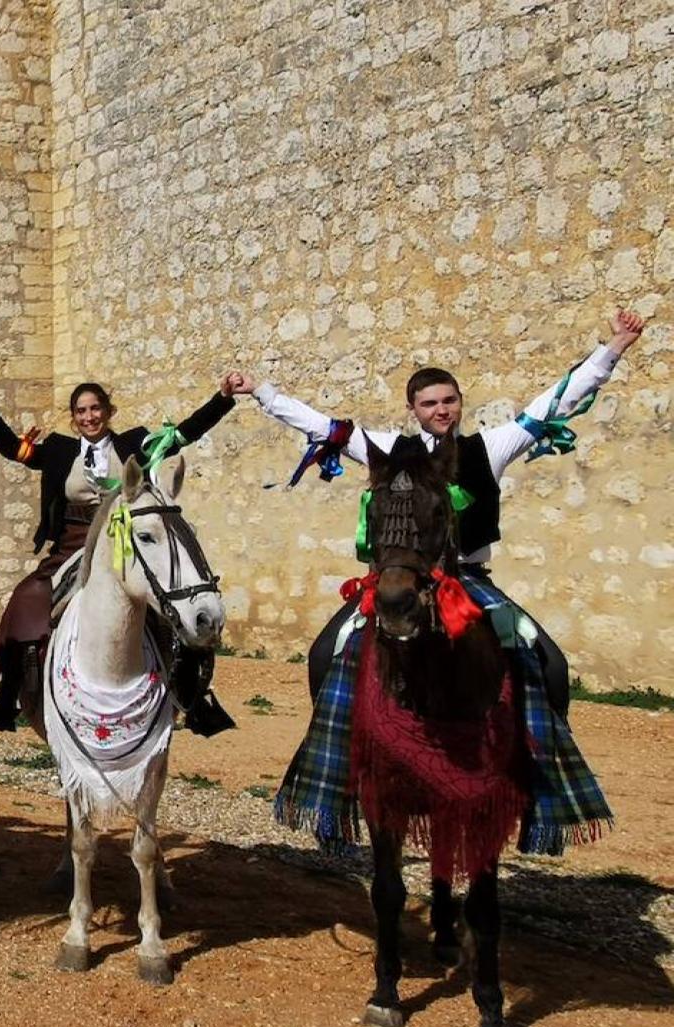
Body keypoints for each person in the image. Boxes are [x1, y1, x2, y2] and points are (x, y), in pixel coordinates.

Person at [242, 306, 646, 854]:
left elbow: (558, 399)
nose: (441, 410)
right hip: (400, 579)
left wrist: (614, 348)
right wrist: (262, 392)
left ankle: (536, 783)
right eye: (429, 403)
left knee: (549, 663)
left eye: (449, 401)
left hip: (469, 582)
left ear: (460, 403)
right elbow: (321, 426)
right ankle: (346, 769)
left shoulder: (492, 446)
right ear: (412, 409)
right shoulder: (388, 449)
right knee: (325, 654)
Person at [0, 377, 239, 732]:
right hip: (71, 545)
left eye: (95, 409)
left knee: (174, 601)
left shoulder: (135, 444)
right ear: (73, 417)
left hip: (125, 543)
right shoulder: (59, 451)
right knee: (25, 599)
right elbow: (12, 449)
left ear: (109, 411)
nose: (89, 417)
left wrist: (223, 398)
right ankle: (8, 695)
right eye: (81, 411)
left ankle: (194, 697)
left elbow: (183, 434)